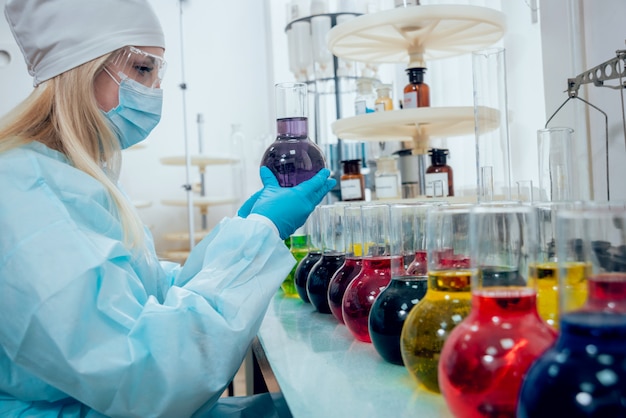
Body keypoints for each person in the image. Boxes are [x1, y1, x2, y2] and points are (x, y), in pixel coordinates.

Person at [0, 0, 335, 417]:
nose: (155, 89)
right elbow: (153, 376)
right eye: (143, 69)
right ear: (80, 70)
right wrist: (260, 233)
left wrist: (245, 232)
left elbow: (152, 291)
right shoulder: (27, 196)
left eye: (159, 72)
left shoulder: (69, 176)